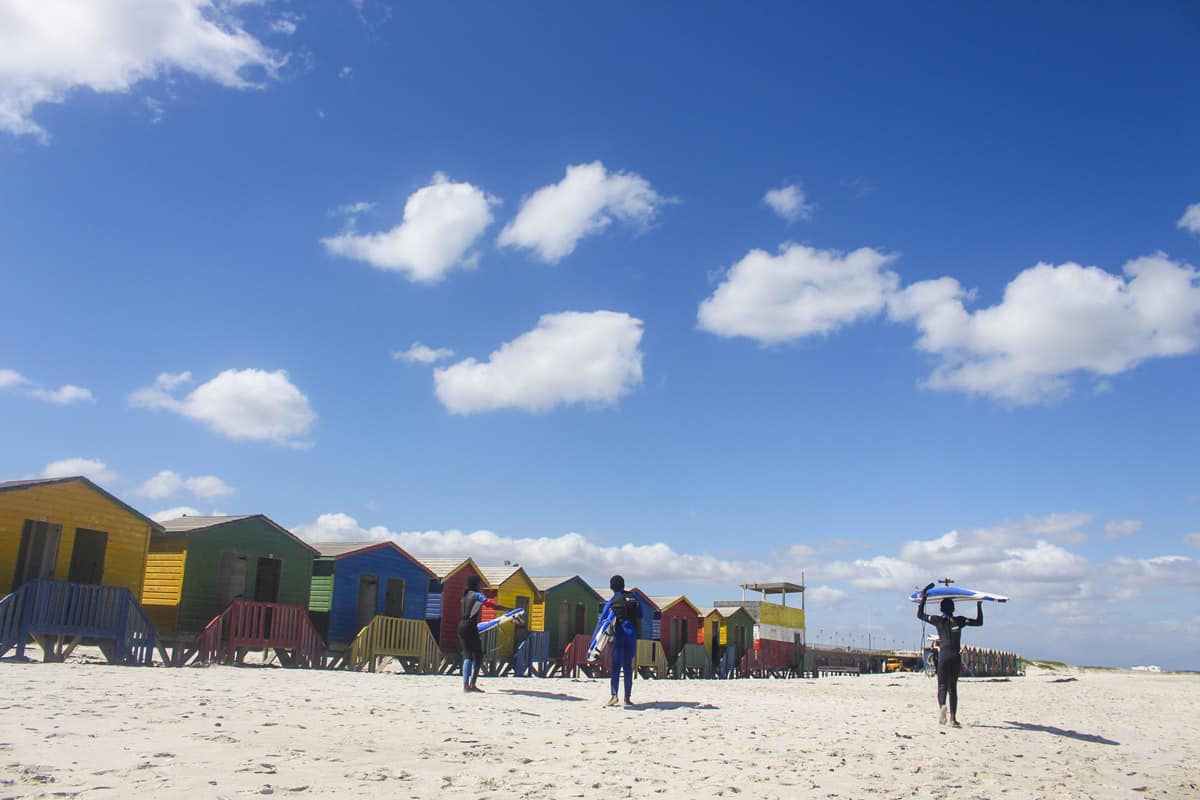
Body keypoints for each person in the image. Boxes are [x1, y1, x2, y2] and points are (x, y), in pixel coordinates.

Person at [918, 582, 982, 727]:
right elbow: (979, 622)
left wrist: (923, 598)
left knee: (941, 685)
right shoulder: (960, 620)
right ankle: (953, 719)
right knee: (952, 688)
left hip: (944, 656)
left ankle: (942, 707)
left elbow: (920, 615)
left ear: (941, 609)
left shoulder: (938, 620)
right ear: (953, 608)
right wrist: (978, 604)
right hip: (955, 656)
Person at [596, 575, 643, 707]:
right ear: (623, 585)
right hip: (631, 633)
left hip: (619, 633)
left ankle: (614, 696)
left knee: (616, 665)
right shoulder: (634, 598)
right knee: (628, 666)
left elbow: (602, 621)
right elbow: (640, 616)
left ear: (611, 587)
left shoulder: (612, 601)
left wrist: (595, 640)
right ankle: (627, 698)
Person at [458, 575, 498, 693]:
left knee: (468, 655)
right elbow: (489, 604)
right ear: (476, 585)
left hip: (461, 625)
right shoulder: (476, 595)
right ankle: (472, 684)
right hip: (470, 625)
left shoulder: (464, 595)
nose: (481, 586)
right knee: (478, 655)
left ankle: (466, 686)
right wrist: (506, 609)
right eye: (480, 584)